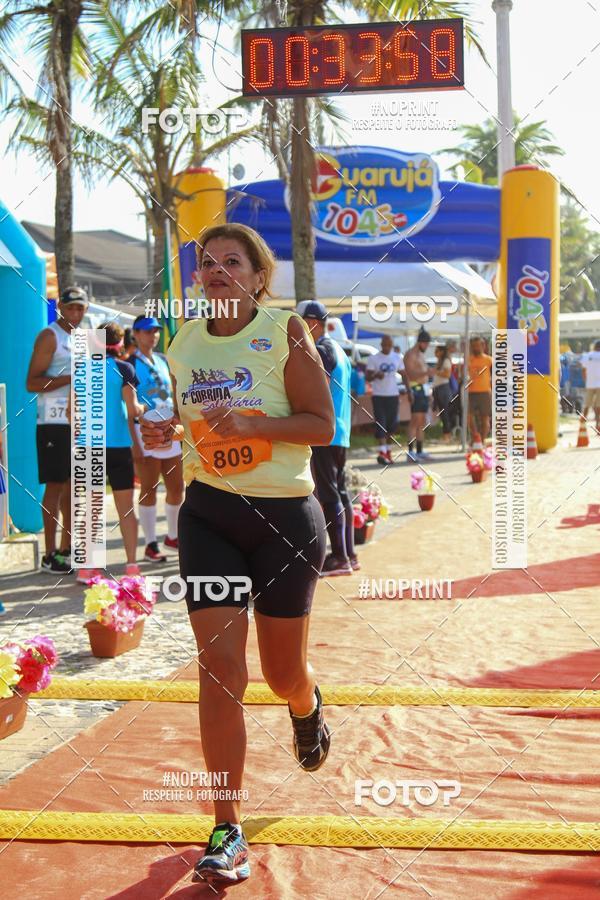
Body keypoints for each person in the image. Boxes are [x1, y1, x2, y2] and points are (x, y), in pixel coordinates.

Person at [140, 222, 334, 885]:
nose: (217, 270)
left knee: (282, 676)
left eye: (232, 261)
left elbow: (322, 424)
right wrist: (175, 426)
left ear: (258, 278)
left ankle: (305, 706)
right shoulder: (183, 343)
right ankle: (226, 826)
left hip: (283, 522)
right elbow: (199, 424)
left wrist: (253, 423)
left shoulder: (286, 332)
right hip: (211, 519)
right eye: (207, 262)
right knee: (220, 668)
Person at [74, 323, 144, 582]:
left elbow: (73, 412)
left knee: (91, 507)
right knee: (125, 509)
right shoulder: (124, 368)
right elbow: (134, 409)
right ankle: (132, 567)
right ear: (120, 342)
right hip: (117, 446)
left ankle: (86, 568)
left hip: (89, 446)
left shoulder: (81, 369)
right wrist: (145, 410)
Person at [26, 286, 89, 573]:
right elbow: (32, 383)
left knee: (75, 488)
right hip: (52, 421)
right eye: (71, 307)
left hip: (78, 422)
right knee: (54, 486)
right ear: (60, 306)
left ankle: (67, 549)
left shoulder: (84, 338)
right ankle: (49, 553)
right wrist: (70, 378)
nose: (76, 313)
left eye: (81, 308)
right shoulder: (50, 336)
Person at [301, 301, 358, 576]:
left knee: (329, 493)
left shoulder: (321, 350)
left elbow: (312, 387)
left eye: (300, 322)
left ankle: (339, 557)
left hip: (326, 432)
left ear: (312, 322)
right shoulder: (339, 350)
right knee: (340, 491)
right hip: (341, 431)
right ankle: (349, 553)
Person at [130, 315, 184, 562]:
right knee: (149, 488)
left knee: (176, 487)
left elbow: (173, 391)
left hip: (170, 430)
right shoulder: (129, 363)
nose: (152, 335)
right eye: (146, 331)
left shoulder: (163, 360)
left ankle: (172, 536)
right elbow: (127, 402)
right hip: (147, 432)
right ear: (136, 334)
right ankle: (150, 543)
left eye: (155, 331)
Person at [365, 335, 409, 465]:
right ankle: (382, 453)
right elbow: (368, 377)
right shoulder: (374, 358)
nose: (386, 347)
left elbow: (404, 375)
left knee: (392, 425)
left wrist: (409, 391)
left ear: (391, 344)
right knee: (381, 424)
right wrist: (375, 375)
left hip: (393, 396)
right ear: (381, 344)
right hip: (379, 396)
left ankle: (388, 451)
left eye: (388, 345)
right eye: (384, 345)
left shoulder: (397, 357)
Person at [403, 328, 432, 462]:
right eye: (426, 344)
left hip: (424, 389)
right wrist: (427, 373)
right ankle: (410, 451)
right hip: (416, 389)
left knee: (422, 422)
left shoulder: (420, 355)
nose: (427, 347)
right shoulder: (410, 355)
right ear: (421, 342)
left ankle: (419, 450)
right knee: (415, 421)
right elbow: (411, 374)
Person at [467, 336, 493, 443]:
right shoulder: (468, 359)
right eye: (473, 346)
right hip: (470, 392)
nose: (476, 348)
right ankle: (475, 437)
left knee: (485, 418)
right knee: (468, 417)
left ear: (483, 346)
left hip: (485, 392)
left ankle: (481, 441)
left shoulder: (489, 360)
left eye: (478, 345)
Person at [432, 344, 453, 443]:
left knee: (445, 413)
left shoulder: (446, 361)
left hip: (443, 389)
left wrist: (436, 371)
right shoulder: (439, 361)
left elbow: (447, 374)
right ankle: (446, 435)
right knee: (442, 413)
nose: (435, 353)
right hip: (438, 389)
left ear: (442, 351)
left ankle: (447, 436)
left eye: (437, 351)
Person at [581, 340, 600, 432]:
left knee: (587, 404)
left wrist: (586, 380)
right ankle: (598, 424)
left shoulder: (587, 355)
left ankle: (582, 423)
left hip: (590, 383)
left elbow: (583, 370)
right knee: (598, 406)